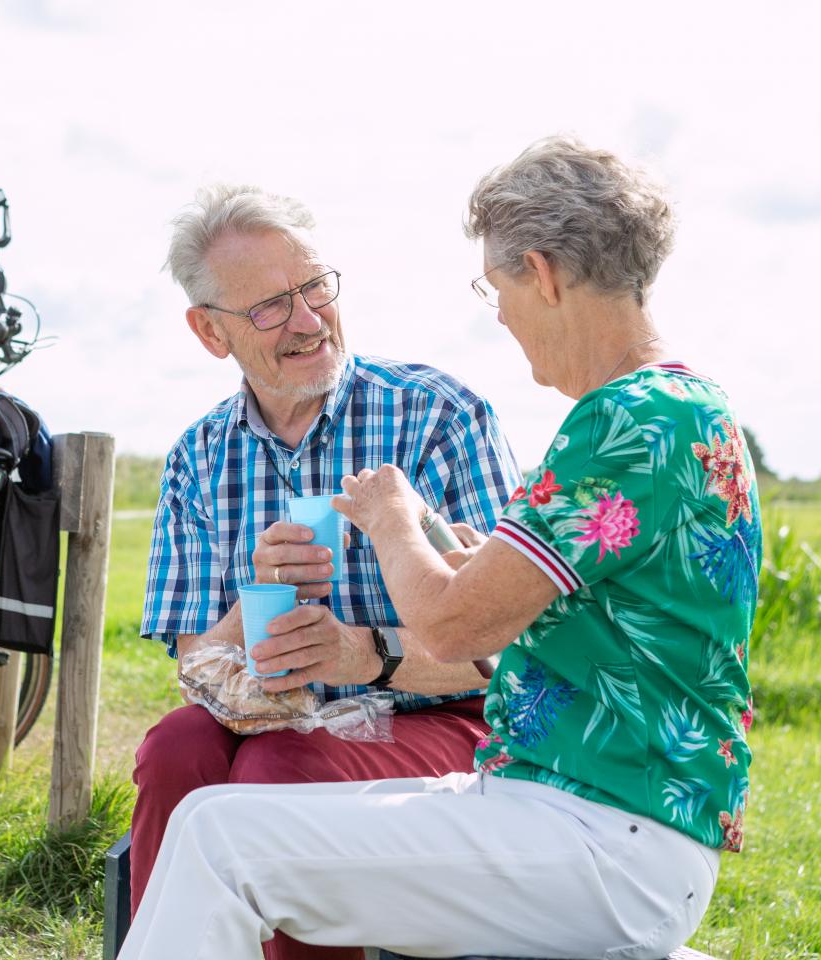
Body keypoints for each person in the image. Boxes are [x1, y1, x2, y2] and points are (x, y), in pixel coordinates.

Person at [121, 137, 759, 960]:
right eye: (272, 305)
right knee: (208, 807)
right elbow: (534, 606)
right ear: (212, 331)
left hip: (603, 826)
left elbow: (461, 634)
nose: (500, 315)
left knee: (226, 836)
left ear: (546, 274)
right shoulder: (672, 409)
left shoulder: (625, 424)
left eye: (498, 290)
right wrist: (455, 560)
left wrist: (390, 518)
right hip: (581, 805)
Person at [132, 184, 522, 960]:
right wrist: (254, 598)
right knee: (178, 745)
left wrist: (360, 654)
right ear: (211, 332)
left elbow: (514, 649)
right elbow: (197, 670)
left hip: (445, 719)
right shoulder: (198, 457)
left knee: (281, 768)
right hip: (276, 717)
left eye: (314, 287)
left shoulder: (439, 414)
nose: (309, 321)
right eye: (271, 307)